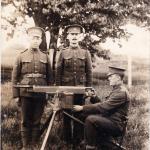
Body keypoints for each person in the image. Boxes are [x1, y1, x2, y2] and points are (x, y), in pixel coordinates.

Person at [12, 26, 53, 150]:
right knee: (25, 120)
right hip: (25, 92)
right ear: (29, 39)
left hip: (41, 93)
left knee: (37, 119)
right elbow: (15, 77)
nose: (35, 40)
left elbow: (50, 78)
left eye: (38, 38)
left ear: (41, 40)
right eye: (33, 38)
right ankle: (25, 145)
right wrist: (16, 95)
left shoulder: (45, 57)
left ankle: (34, 144)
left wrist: (49, 93)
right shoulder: (20, 56)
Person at [73, 66, 130, 150]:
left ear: (118, 77)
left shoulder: (121, 92)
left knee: (90, 119)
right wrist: (94, 97)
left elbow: (104, 107)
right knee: (83, 115)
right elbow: (105, 105)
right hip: (110, 119)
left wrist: (82, 107)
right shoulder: (117, 90)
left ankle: (90, 147)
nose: (108, 79)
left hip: (116, 125)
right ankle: (85, 141)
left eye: (111, 76)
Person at [56, 24, 92, 146]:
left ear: (80, 37)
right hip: (66, 89)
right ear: (68, 37)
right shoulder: (63, 52)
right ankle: (67, 140)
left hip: (80, 89)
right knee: (66, 115)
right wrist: (58, 89)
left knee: (79, 114)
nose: (74, 37)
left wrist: (88, 89)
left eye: (77, 35)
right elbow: (58, 72)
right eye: (72, 35)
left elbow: (89, 72)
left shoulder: (85, 53)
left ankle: (78, 141)